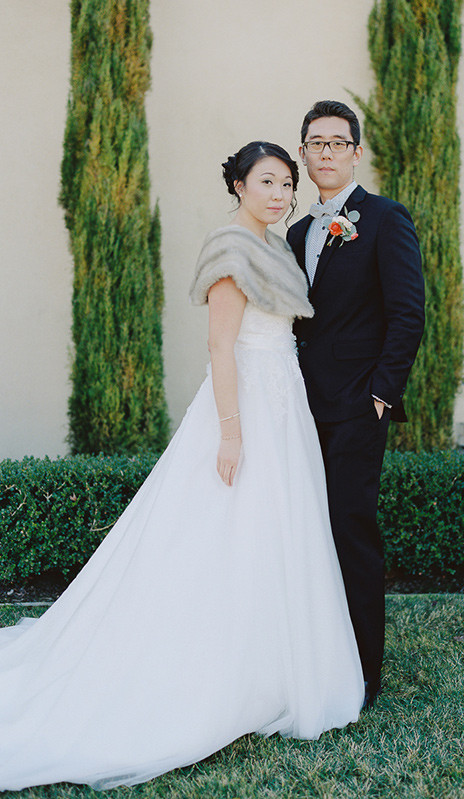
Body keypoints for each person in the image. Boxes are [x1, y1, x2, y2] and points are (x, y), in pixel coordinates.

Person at [0, 141, 364, 792]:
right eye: (266, 181)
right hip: (246, 403)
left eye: (287, 182)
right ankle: (214, 674)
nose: (281, 193)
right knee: (224, 534)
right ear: (239, 185)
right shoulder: (229, 248)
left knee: (277, 535)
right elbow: (221, 347)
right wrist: (231, 433)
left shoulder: (277, 246)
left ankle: (274, 666)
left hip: (286, 405)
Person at [287, 101, 425, 709]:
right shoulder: (296, 232)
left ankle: (365, 673)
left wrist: (379, 396)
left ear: (355, 152)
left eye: (337, 143)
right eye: (315, 143)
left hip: (355, 407)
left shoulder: (386, 219)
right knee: (304, 533)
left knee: (351, 530)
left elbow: (408, 315)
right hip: (297, 407)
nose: (326, 152)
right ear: (303, 153)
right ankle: (313, 656)